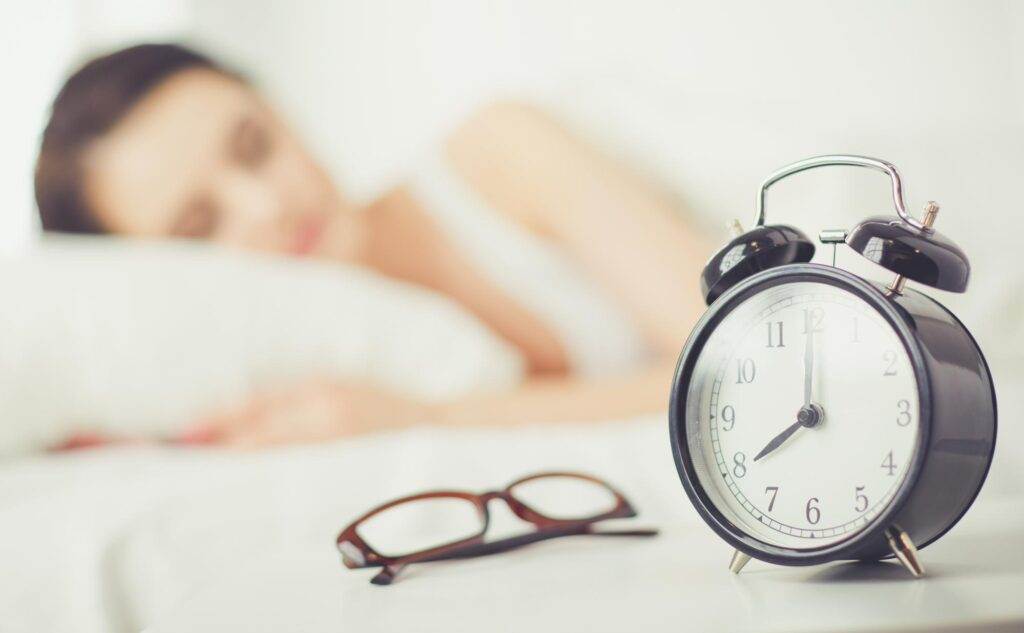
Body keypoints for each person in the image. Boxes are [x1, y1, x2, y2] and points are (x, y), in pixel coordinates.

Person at [34, 43, 711, 447]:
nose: (269, 204)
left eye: (256, 145)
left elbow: (737, 360)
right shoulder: (283, 394)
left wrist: (427, 419)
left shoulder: (498, 153)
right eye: (198, 225)